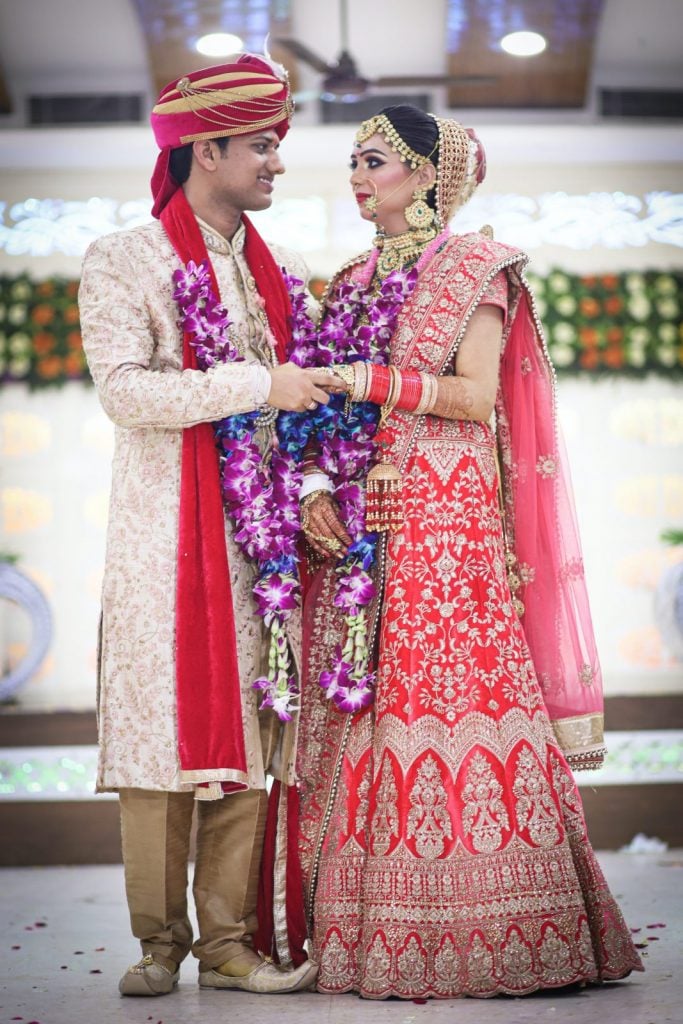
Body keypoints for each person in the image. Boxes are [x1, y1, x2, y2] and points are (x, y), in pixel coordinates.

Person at [293, 106, 644, 999]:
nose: (357, 176)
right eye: (354, 161)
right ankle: (371, 925)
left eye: (373, 161)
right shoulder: (347, 277)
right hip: (364, 511)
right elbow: (320, 410)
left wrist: (373, 381)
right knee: (364, 693)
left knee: (443, 689)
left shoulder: (476, 268)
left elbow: (475, 395)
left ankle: (500, 923)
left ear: (427, 175)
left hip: (443, 509)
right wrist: (316, 487)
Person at [78, 53, 331, 997]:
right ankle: (158, 942)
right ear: (205, 148)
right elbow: (125, 393)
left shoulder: (282, 272)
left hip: (259, 542)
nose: (275, 163)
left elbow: (304, 406)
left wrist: (307, 480)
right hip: (162, 539)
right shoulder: (124, 259)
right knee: (158, 735)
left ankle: (227, 945)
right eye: (261, 147)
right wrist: (254, 384)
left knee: (252, 734)